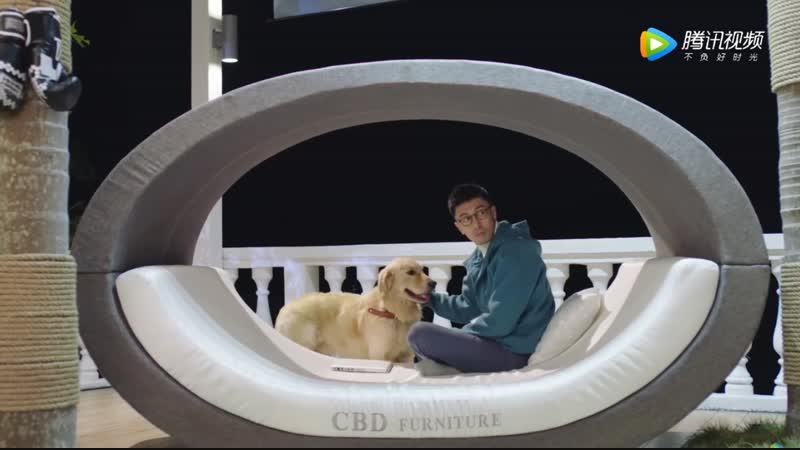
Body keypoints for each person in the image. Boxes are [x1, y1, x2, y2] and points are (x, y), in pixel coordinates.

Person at [408, 183, 555, 375]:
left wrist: (458, 337)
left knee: (420, 334)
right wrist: (430, 299)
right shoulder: (480, 258)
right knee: (423, 337)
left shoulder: (516, 252)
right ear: (459, 227)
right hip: (498, 344)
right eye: (466, 219)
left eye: (481, 213)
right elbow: (467, 306)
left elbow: (501, 321)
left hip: (517, 352)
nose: (476, 224)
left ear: (493, 212)